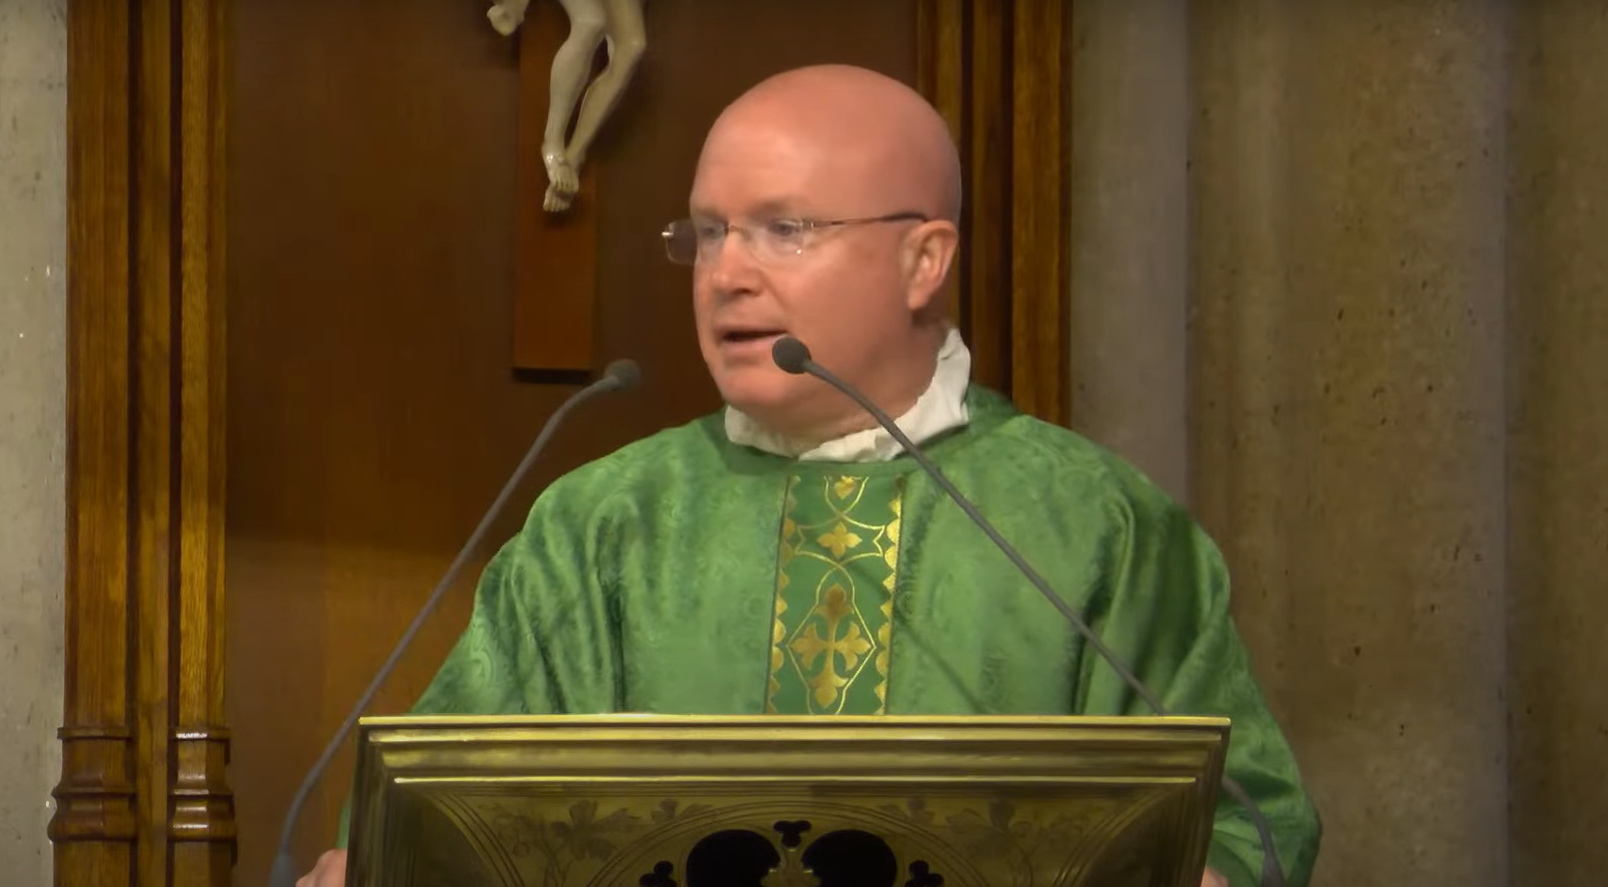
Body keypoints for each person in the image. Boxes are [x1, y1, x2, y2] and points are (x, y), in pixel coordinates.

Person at [297, 64, 1320, 887]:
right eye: (707, 232)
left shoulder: (1092, 525)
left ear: (925, 260)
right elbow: (427, 812)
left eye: (786, 229)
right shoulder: (604, 524)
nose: (727, 271)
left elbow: (1249, 822)